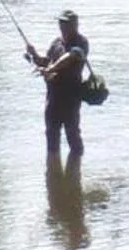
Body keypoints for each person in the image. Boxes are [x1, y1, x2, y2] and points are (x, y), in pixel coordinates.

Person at [26, 8, 90, 158]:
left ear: (75, 25)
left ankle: (75, 171)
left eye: (66, 23)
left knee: (73, 136)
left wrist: (51, 69)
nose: (62, 26)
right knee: (51, 138)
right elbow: (46, 61)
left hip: (71, 98)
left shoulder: (81, 42)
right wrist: (34, 54)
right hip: (53, 98)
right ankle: (53, 174)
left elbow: (70, 57)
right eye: (61, 23)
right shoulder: (56, 43)